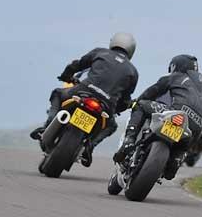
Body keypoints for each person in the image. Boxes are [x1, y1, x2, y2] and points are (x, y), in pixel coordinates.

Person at [30, 32, 138, 167]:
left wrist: (66, 76)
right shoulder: (133, 72)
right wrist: (116, 109)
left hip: (83, 91)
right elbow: (125, 99)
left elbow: (77, 64)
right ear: (131, 50)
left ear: (113, 42)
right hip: (106, 104)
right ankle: (90, 147)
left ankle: (46, 126)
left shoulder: (101, 52)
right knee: (111, 126)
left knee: (57, 93)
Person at [114, 54, 202, 180]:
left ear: (177, 66)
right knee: (183, 146)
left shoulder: (176, 76)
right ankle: (176, 160)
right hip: (196, 126)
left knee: (140, 105)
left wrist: (134, 101)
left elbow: (152, 92)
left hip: (176, 112)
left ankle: (129, 140)